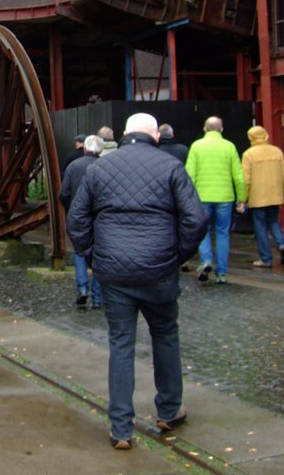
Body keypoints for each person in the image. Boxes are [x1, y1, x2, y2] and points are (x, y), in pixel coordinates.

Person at [67, 113, 207, 450]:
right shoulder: (170, 167)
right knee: (165, 336)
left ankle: (120, 429)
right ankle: (169, 410)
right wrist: (176, 256)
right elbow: (196, 219)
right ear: (155, 136)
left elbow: (77, 219)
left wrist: (93, 255)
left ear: (125, 134)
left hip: (114, 273)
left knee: (121, 344)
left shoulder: (100, 168)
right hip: (159, 270)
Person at [185, 116, 246, 284]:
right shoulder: (229, 147)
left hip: (202, 197)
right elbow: (239, 177)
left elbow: (190, 175)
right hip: (225, 197)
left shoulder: (197, 146)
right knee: (222, 233)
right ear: (222, 129)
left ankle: (206, 260)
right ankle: (222, 273)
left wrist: (188, 198)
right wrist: (241, 199)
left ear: (204, 129)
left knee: (202, 230)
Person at [59, 134, 104, 310]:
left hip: (78, 217)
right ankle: (98, 298)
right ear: (100, 149)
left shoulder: (73, 166)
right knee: (100, 255)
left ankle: (83, 288)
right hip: (99, 217)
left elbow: (63, 193)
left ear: (84, 148)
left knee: (79, 252)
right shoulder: (105, 166)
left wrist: (72, 208)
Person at [241, 125, 284, 268]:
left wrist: (243, 198)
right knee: (274, 222)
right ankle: (281, 244)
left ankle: (266, 258)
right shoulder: (277, 152)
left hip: (257, 197)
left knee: (260, 227)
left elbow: (246, 179)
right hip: (274, 195)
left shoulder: (249, 154)